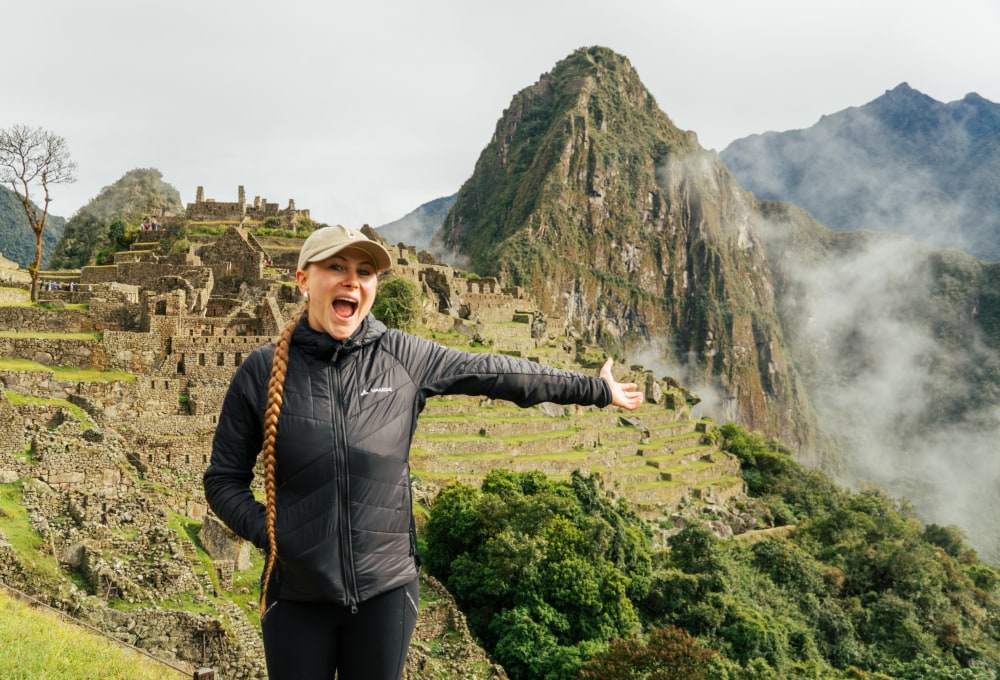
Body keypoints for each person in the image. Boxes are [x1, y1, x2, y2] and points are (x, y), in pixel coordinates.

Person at [203, 225, 643, 680]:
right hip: (295, 595)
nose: (352, 280)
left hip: (385, 592)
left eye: (365, 271)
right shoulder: (260, 371)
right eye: (336, 267)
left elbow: (495, 372)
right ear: (302, 279)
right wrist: (272, 534)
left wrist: (594, 388)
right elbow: (222, 480)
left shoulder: (402, 357)